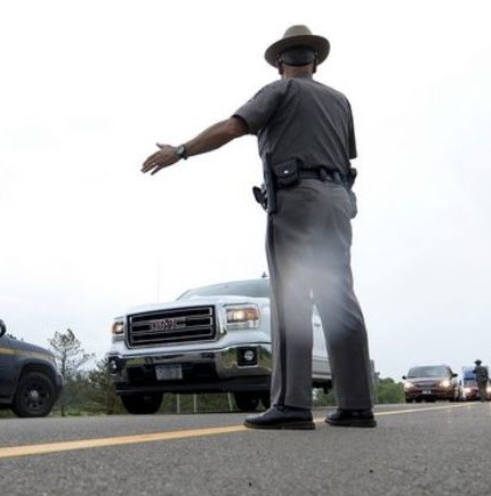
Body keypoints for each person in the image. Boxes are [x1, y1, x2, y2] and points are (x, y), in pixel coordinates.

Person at [141, 25, 374, 429]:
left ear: (281, 63)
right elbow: (344, 153)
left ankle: (292, 406)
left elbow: (233, 127)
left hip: (296, 198)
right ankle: (356, 406)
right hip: (338, 200)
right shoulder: (341, 101)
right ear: (315, 61)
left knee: (292, 298)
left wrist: (179, 151)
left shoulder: (278, 91)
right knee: (340, 300)